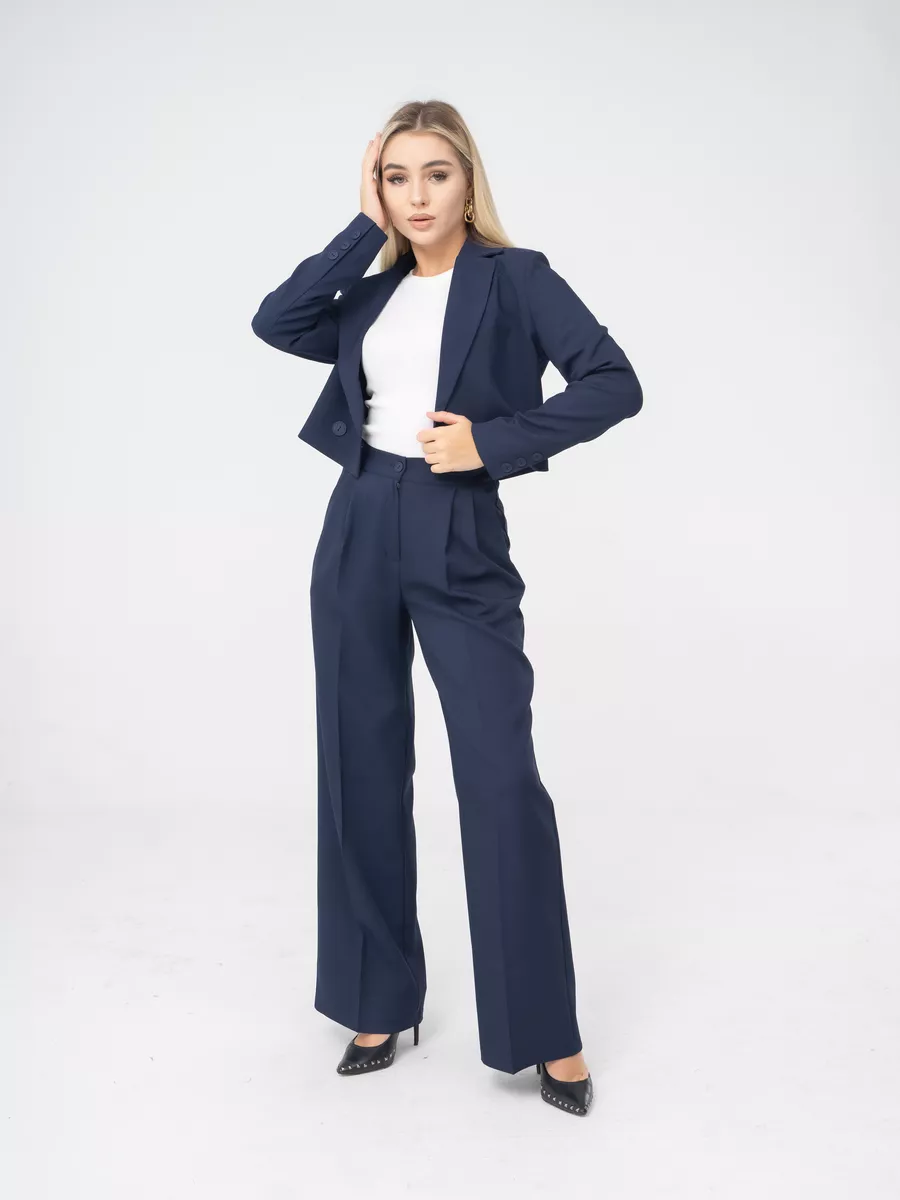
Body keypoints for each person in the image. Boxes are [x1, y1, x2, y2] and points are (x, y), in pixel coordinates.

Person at [250, 99, 643, 1117]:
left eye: (435, 174)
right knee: (359, 762)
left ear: (469, 181)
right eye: (397, 177)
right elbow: (276, 320)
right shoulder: (372, 291)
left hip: (457, 522)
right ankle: (376, 1001)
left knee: (500, 777)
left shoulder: (518, 278)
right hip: (356, 522)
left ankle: (544, 1032)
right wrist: (362, 229)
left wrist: (493, 443)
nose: (417, 195)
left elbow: (615, 382)